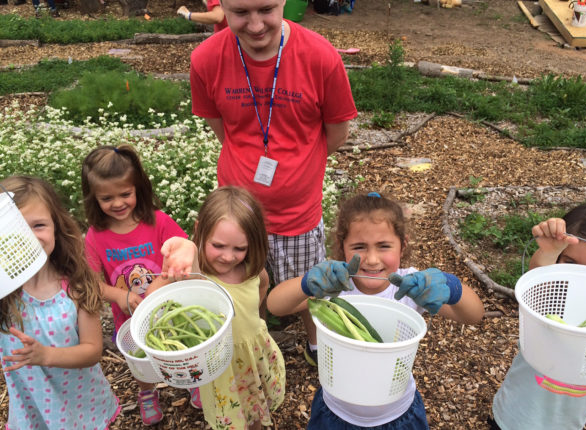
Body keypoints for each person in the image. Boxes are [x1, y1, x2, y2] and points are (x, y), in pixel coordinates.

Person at [189, 0, 358, 367]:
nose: (254, 25)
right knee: (244, 291)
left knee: (310, 290)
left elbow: (337, 133)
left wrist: (298, 170)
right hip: (239, 217)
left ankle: (317, 347)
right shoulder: (205, 59)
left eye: (265, 9)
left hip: (299, 214)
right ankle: (256, 350)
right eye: (240, 13)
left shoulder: (320, 57)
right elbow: (222, 128)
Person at [266, 192, 484, 429]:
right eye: (359, 247)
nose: (371, 259)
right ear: (342, 248)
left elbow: (474, 315)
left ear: (403, 246)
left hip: (396, 412)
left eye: (384, 246)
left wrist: (450, 287)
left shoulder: (411, 287)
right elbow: (276, 305)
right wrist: (307, 283)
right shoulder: (333, 286)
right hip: (337, 411)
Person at [490, 202, 586, 430]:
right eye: (570, 262)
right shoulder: (554, 294)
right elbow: (537, 277)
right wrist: (549, 252)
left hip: (568, 422)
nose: (582, 275)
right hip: (514, 416)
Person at [153, 186, 286, 430]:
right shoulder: (197, 276)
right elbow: (153, 295)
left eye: (239, 248)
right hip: (220, 366)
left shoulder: (250, 269)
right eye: (219, 245)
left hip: (253, 354)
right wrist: (186, 248)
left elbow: (262, 285)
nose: (228, 256)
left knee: (255, 410)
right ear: (199, 230)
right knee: (232, 417)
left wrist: (253, 317)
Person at [81, 144, 192, 426]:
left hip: (170, 307)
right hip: (128, 317)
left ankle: (193, 381)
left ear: (138, 189)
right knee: (139, 359)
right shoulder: (96, 236)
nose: (117, 203)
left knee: (181, 346)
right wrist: (119, 294)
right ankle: (147, 392)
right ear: (93, 198)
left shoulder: (159, 222)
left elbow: (182, 257)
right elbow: (93, 284)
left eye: (125, 194)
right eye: (107, 198)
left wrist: (160, 283)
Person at [0, 176, 120, 429]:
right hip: (32, 407)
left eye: (39, 225)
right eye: (17, 227)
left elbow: (92, 350)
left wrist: (46, 355)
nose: (28, 236)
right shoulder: (4, 296)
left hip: (81, 403)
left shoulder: (76, 286)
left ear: (56, 226)